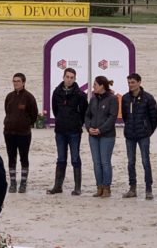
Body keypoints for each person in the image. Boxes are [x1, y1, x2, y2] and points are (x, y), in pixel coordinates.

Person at [48, 67, 86, 196]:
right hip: (60, 130)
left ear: (74, 79)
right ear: (63, 77)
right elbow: (55, 109)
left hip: (74, 130)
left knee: (75, 158)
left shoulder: (80, 94)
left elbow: (84, 111)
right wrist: (60, 119)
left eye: (72, 77)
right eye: (67, 77)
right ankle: (58, 186)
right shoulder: (56, 92)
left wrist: (77, 122)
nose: (69, 80)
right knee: (61, 158)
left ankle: (77, 187)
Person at [120, 73, 157, 200]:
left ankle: (149, 189)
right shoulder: (126, 98)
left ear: (139, 82)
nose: (131, 85)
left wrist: (148, 130)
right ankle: (133, 188)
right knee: (131, 162)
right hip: (130, 135)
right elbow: (125, 116)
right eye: (129, 82)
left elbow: (154, 117)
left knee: (145, 161)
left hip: (143, 135)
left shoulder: (148, 98)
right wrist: (129, 128)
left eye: (133, 82)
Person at [3, 72, 38, 193]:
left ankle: (23, 182)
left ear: (23, 82)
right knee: (11, 157)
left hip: (23, 133)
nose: (16, 83)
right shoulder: (9, 96)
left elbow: (34, 114)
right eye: (14, 81)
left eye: (18, 81)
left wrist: (26, 123)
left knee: (24, 157)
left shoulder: (29, 97)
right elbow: (6, 111)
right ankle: (13, 182)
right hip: (9, 132)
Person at [85, 76, 118, 198]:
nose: (93, 87)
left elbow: (112, 118)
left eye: (95, 85)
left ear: (102, 86)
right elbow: (87, 115)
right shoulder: (93, 99)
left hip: (107, 136)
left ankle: (106, 187)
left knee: (105, 162)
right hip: (93, 135)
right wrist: (89, 128)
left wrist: (100, 130)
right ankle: (99, 187)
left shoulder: (112, 99)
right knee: (96, 162)